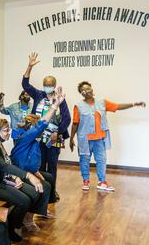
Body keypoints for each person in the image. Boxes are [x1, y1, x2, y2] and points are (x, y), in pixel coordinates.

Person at [0, 118, 51, 242]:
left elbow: (7, 164)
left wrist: (16, 178)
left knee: (34, 192)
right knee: (24, 201)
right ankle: (9, 228)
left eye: (9, 130)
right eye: (6, 131)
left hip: (2, 181)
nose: (8, 133)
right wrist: (28, 176)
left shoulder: (0, 145)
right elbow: (4, 166)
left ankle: (16, 221)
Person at [69, 81, 146, 191]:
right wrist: (71, 138)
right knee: (84, 159)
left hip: (100, 138)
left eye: (88, 88)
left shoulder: (102, 102)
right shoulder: (78, 106)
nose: (87, 91)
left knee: (102, 160)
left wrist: (134, 104)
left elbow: (118, 106)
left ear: (92, 89)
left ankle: (102, 181)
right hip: (85, 139)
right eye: (83, 90)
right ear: (81, 93)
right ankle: (85, 181)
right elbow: (75, 123)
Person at [10, 87, 66, 217]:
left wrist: (36, 173)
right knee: (44, 185)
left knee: (49, 178)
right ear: (32, 128)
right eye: (39, 129)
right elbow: (42, 124)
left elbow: (34, 162)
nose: (43, 131)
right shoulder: (26, 137)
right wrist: (55, 105)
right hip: (19, 173)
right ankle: (30, 217)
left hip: (29, 171)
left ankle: (42, 209)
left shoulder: (35, 140)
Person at [22, 52, 71, 200]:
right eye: (46, 84)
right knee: (39, 165)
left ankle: (52, 192)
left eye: (50, 85)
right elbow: (25, 85)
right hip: (38, 137)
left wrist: (58, 131)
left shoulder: (60, 99)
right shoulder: (39, 95)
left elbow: (67, 119)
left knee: (53, 165)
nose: (47, 87)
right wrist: (29, 66)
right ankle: (42, 191)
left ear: (54, 86)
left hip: (55, 137)